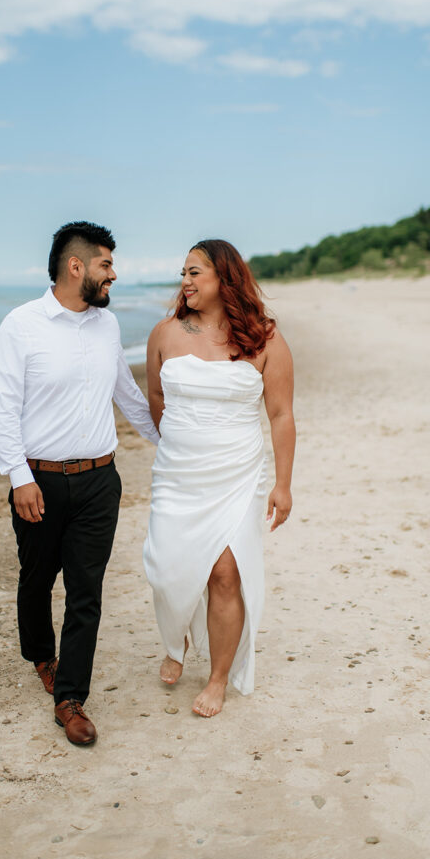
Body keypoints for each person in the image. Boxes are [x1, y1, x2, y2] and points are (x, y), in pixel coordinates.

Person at [0, 221, 159, 746]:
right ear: (76, 267)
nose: (114, 274)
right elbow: (3, 409)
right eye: (107, 265)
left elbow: (127, 394)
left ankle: (69, 697)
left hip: (99, 482)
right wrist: (20, 478)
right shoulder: (21, 325)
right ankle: (42, 654)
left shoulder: (106, 328)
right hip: (40, 480)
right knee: (37, 580)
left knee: (86, 590)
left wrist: (170, 442)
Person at [143, 239, 295, 717]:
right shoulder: (164, 334)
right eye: (183, 273)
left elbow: (281, 415)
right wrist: (184, 442)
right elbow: (156, 400)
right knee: (168, 571)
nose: (185, 282)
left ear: (225, 279)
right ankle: (177, 639)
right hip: (179, 474)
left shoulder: (265, 338)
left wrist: (283, 484)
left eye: (195, 273)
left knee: (225, 574)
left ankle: (218, 678)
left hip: (237, 474)